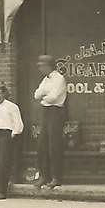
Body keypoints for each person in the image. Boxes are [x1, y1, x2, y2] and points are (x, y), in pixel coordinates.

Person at [32, 54, 67, 188]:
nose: (40, 68)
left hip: (55, 112)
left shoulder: (59, 79)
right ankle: (43, 176)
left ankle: (56, 177)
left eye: (41, 66)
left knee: (54, 146)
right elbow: (36, 94)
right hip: (46, 113)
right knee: (42, 145)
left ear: (48, 66)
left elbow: (53, 98)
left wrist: (43, 97)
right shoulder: (45, 80)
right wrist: (44, 96)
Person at [0, 83, 24, 200]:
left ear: (4, 94)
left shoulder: (12, 106)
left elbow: (18, 123)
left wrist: (12, 135)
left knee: (4, 163)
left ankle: (2, 191)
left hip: (7, 134)